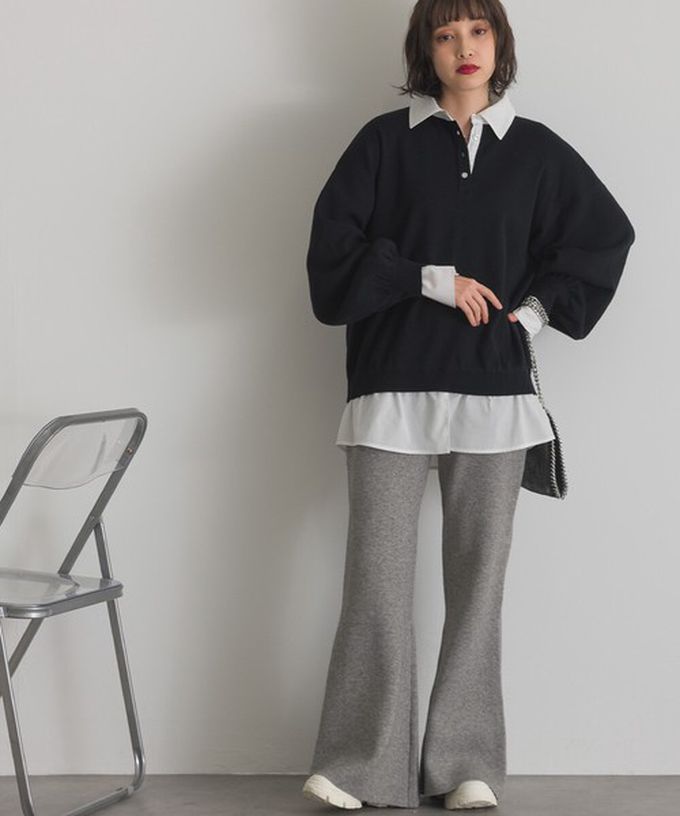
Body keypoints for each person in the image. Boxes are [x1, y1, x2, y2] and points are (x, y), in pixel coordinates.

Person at [301, 0, 635, 810]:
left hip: (494, 396)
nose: (464, 47)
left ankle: (466, 765)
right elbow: (331, 256)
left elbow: (605, 236)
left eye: (478, 30)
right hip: (390, 389)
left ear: (499, 40)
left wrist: (537, 312)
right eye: (445, 34)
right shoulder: (383, 144)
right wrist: (428, 279)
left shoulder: (537, 152)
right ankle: (360, 766)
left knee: (478, 589)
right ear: (426, 48)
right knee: (376, 585)